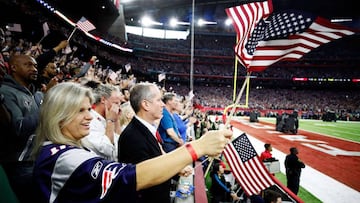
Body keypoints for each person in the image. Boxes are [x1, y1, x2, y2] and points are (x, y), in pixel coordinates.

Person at [31, 82, 232, 203]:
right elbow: (130, 176)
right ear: (59, 115)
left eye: (89, 109)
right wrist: (197, 147)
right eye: (81, 111)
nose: (90, 117)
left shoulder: (62, 150)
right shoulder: (65, 158)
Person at [0, 54, 43, 202]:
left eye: (36, 66)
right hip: (18, 164)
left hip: (35, 160)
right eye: (28, 65)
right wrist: (45, 108)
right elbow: (18, 128)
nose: (34, 69)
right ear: (13, 68)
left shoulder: (34, 93)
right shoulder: (6, 91)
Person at [81, 83, 122, 161]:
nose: (118, 107)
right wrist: (110, 121)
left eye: (119, 103)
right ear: (103, 100)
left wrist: (116, 120)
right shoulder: (89, 121)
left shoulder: (109, 118)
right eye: (116, 103)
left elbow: (121, 145)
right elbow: (107, 150)